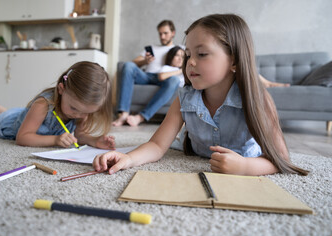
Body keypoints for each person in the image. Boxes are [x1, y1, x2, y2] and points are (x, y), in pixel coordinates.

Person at [93, 14, 308, 176]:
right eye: (188, 55)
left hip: (244, 159)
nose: (190, 62)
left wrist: (245, 166)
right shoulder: (185, 98)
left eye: (202, 54)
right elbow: (158, 145)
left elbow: (280, 158)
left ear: (234, 61)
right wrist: (128, 158)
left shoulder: (258, 99)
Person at [0, 61, 115, 149]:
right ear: (61, 89)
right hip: (11, 126)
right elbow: (22, 138)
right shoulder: (43, 105)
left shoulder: (81, 109)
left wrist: (95, 141)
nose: (79, 115)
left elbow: (80, 135)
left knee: (14, 114)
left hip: (26, 117)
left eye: (86, 113)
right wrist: (55, 140)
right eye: (74, 108)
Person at [112, 20, 181, 127]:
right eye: (160, 33)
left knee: (174, 80)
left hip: (165, 78)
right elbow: (133, 63)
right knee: (128, 65)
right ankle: (124, 113)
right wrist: (145, 61)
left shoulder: (179, 50)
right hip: (147, 76)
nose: (162, 36)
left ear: (173, 33)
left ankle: (141, 117)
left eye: (165, 33)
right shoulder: (152, 48)